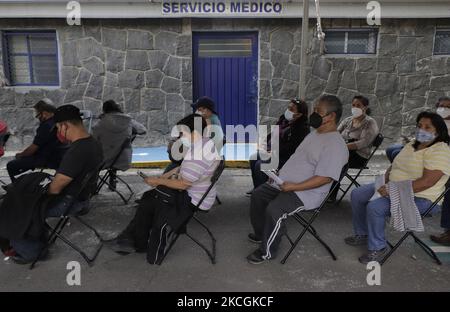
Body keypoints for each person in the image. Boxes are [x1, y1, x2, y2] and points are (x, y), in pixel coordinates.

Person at [247, 95, 348, 264]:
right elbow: (297, 159)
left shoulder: (336, 145)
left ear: (331, 116)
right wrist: (279, 175)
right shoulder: (314, 134)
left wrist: (295, 186)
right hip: (284, 183)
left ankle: (267, 252)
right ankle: (262, 234)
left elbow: (325, 178)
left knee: (274, 210)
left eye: (318, 111)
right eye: (314, 110)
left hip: (306, 193)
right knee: (258, 196)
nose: (313, 114)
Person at [106, 113, 220, 254]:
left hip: (193, 199)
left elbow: (184, 184)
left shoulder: (199, 153)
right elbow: (185, 169)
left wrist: (158, 181)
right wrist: (167, 175)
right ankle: (130, 239)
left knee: (148, 201)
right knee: (149, 199)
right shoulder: (205, 143)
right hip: (198, 193)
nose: (179, 138)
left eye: (182, 134)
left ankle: (133, 241)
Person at [346, 111, 450, 264]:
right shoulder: (413, 143)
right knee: (357, 194)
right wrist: (385, 180)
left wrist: (391, 189)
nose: (422, 130)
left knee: (375, 207)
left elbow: (427, 182)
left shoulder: (440, 150)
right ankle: (363, 234)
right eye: (420, 126)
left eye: (428, 127)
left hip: (422, 197)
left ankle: (379, 247)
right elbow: (395, 165)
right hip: (394, 186)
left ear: (438, 131)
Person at [4, 105, 104, 264]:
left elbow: (56, 188)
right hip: (81, 197)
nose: (58, 133)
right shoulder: (93, 143)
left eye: (58, 128)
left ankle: (29, 251)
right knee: (24, 197)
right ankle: (37, 239)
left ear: (65, 126)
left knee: (15, 206)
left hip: (68, 202)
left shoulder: (77, 151)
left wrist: (33, 195)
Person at [248, 98, 309, 192]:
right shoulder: (284, 119)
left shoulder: (302, 128)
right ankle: (257, 188)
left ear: (299, 114)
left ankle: (263, 192)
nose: (288, 111)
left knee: (261, 165)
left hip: (286, 158)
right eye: (288, 107)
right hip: (274, 152)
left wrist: (274, 152)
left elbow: (292, 148)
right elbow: (274, 133)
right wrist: (265, 143)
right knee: (254, 157)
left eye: (292, 109)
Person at [328, 95, 379, 202]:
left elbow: (363, 143)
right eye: (353, 105)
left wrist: (343, 147)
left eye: (358, 105)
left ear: (365, 107)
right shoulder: (348, 120)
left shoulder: (370, 123)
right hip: (342, 151)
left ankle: (331, 191)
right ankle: (321, 186)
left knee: (335, 159)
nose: (355, 107)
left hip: (359, 155)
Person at [6, 99, 67, 182]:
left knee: (11, 165)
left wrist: (21, 154)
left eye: (38, 115)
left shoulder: (46, 126)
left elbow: (33, 148)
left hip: (46, 159)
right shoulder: (59, 122)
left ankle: (17, 187)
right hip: (58, 156)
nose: (38, 118)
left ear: (44, 113)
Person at [91, 100, 146, 190]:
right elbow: (143, 130)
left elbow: (93, 140)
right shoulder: (128, 121)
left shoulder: (100, 124)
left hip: (104, 160)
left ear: (105, 110)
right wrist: (132, 133)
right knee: (116, 150)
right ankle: (112, 180)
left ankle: (93, 187)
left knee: (93, 158)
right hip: (122, 159)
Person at [386, 97, 450, 163]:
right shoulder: (434, 119)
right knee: (391, 149)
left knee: (396, 153)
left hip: (432, 149)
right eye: (442, 106)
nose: (444, 109)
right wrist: (411, 141)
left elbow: (439, 142)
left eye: (448, 107)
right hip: (422, 144)